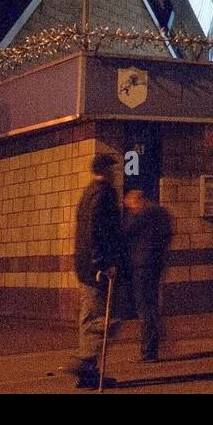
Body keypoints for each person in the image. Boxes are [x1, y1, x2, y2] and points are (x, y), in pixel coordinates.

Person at [69, 153, 125, 388]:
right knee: (109, 317)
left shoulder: (88, 193)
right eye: (113, 168)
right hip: (95, 266)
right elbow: (97, 231)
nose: (117, 172)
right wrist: (102, 263)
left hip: (83, 265)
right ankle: (85, 360)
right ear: (106, 170)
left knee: (89, 316)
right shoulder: (102, 194)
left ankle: (88, 374)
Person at [123, 188, 173, 362]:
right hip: (156, 264)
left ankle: (148, 351)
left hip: (142, 266)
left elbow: (126, 234)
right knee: (151, 305)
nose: (130, 208)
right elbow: (167, 236)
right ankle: (153, 347)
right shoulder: (161, 213)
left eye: (130, 205)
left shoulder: (141, 216)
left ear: (138, 201)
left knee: (144, 307)